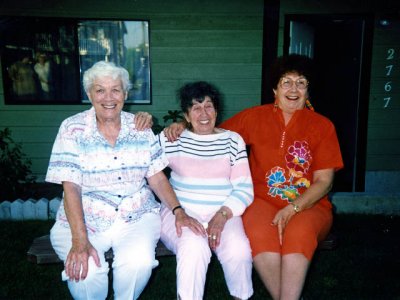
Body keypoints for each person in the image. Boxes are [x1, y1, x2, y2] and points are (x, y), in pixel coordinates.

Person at [162, 55, 344, 300]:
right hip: (261, 201)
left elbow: (325, 181)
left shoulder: (323, 126)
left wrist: (292, 208)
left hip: (308, 203)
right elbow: (211, 130)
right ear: (274, 89)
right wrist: (183, 125)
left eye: (301, 83)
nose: (293, 89)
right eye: (286, 82)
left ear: (308, 91)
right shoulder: (255, 117)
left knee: (298, 233)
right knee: (258, 233)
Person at [46, 61, 204, 300]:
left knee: (138, 263)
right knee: (85, 272)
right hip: (85, 216)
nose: (108, 98)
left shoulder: (139, 127)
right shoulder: (72, 129)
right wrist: (80, 241)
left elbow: (157, 178)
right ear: (89, 94)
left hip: (136, 214)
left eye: (116, 90)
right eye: (100, 90)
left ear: (125, 94)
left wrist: (178, 211)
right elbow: (71, 187)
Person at [158, 81, 254, 299]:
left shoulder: (232, 140)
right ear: (186, 114)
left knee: (238, 251)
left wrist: (222, 215)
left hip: (223, 211)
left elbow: (244, 188)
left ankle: (242, 296)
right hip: (180, 212)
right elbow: (145, 166)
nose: (204, 113)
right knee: (194, 249)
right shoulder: (171, 138)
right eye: (196, 107)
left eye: (209, 106)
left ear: (217, 111)